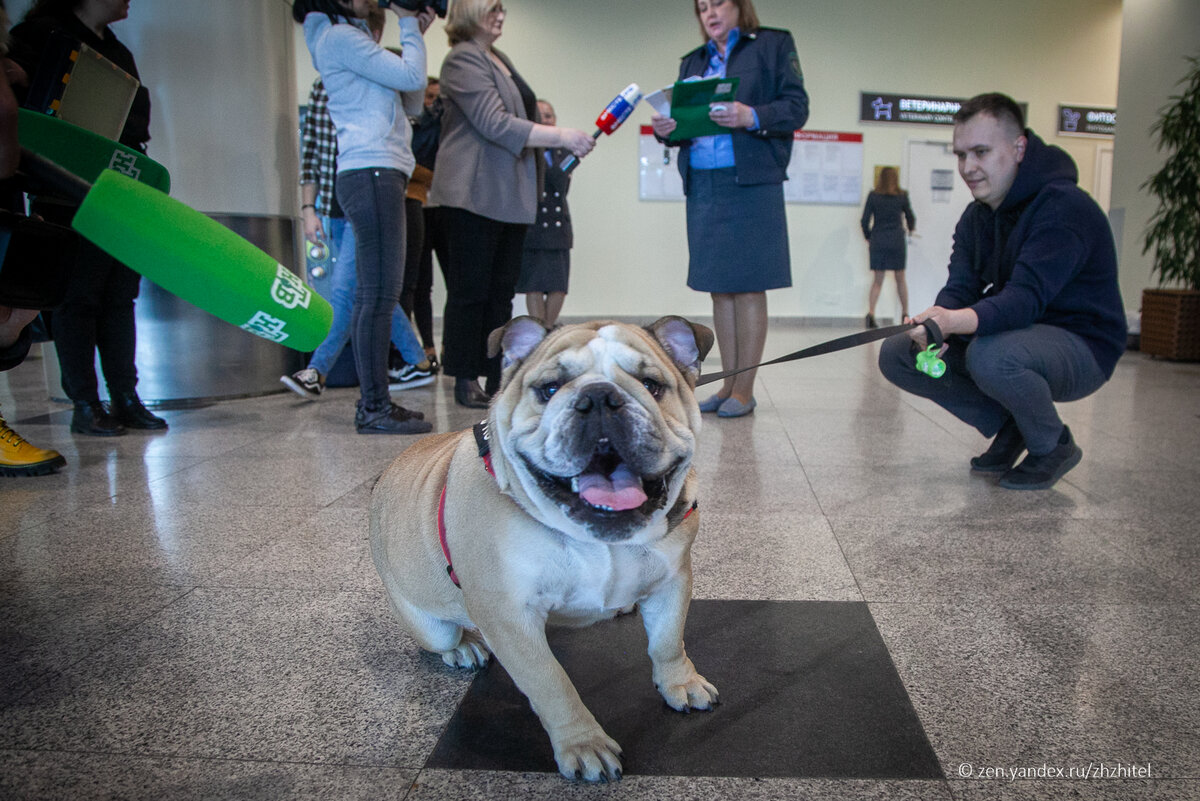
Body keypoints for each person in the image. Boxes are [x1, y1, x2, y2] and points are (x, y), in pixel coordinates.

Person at [878, 93, 1126, 491]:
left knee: (992, 355)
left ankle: (1052, 445)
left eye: (980, 152)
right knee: (899, 353)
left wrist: (955, 322)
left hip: (1084, 346)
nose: (967, 167)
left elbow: (1025, 299)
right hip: (1018, 334)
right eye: (960, 155)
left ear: (1019, 147)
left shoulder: (1063, 207)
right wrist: (937, 323)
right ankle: (1014, 425)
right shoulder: (977, 217)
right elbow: (960, 288)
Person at [9, 0, 167, 436]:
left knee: (119, 298)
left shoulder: (117, 51)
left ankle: (126, 397)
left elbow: (135, 126)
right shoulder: (41, 35)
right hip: (65, 192)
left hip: (117, 191)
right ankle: (85, 403)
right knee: (77, 299)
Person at [428, 0, 594, 408]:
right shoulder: (462, 59)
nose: (500, 16)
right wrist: (561, 136)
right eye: (491, 9)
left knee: (501, 292)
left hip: (508, 197)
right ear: (468, 14)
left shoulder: (497, 58)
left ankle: (492, 375)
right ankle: (464, 378)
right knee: (471, 291)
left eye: (502, 9)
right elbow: (494, 123)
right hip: (472, 194)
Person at [650, 0, 808, 419]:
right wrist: (667, 130)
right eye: (701, 7)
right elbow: (682, 122)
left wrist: (749, 114)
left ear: (740, 6)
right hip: (704, 182)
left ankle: (745, 389)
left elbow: (796, 107)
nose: (710, 13)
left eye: (717, 2)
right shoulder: (692, 62)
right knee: (720, 285)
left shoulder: (772, 45)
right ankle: (727, 385)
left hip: (752, 180)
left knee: (749, 284)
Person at [294, 0, 435, 434]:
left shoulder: (348, 41)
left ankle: (376, 403)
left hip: (381, 172)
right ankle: (374, 407)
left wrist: (416, 32)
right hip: (371, 173)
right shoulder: (340, 38)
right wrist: (408, 21)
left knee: (377, 293)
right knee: (376, 295)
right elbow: (413, 77)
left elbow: (412, 100)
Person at [515, 98, 573, 329]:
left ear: (555, 120)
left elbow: (560, 181)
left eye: (548, 116)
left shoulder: (566, 151)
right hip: (533, 224)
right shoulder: (524, 150)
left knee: (559, 285)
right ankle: (539, 332)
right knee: (534, 284)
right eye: (539, 116)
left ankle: (548, 329)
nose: (544, 120)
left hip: (558, 226)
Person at [860, 166, 914, 328]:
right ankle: (905, 313)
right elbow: (911, 216)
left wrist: (869, 237)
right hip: (896, 240)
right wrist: (910, 229)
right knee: (900, 278)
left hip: (879, 240)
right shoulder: (902, 196)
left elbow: (864, 221)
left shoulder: (873, 196)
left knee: (878, 280)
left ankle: (871, 313)